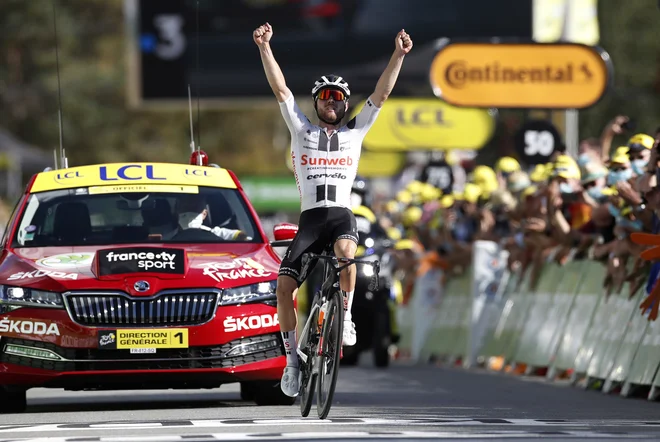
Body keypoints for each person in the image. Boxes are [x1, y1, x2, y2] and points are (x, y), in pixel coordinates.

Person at [253, 22, 413, 397]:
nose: (331, 101)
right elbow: (280, 89)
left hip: (340, 214)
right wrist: (264, 48)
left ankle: (347, 317)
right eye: (325, 96)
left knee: (346, 254)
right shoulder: (300, 129)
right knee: (283, 287)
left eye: (338, 97)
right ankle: (292, 362)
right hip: (310, 220)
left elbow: (382, 93)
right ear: (317, 102)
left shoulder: (355, 131)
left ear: (344, 103)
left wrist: (399, 55)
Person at [176, 195, 249, 240]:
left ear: (204, 214)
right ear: (177, 211)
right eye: (185, 208)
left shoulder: (212, 232)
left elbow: (241, 236)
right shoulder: (167, 234)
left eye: (194, 209)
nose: (189, 213)